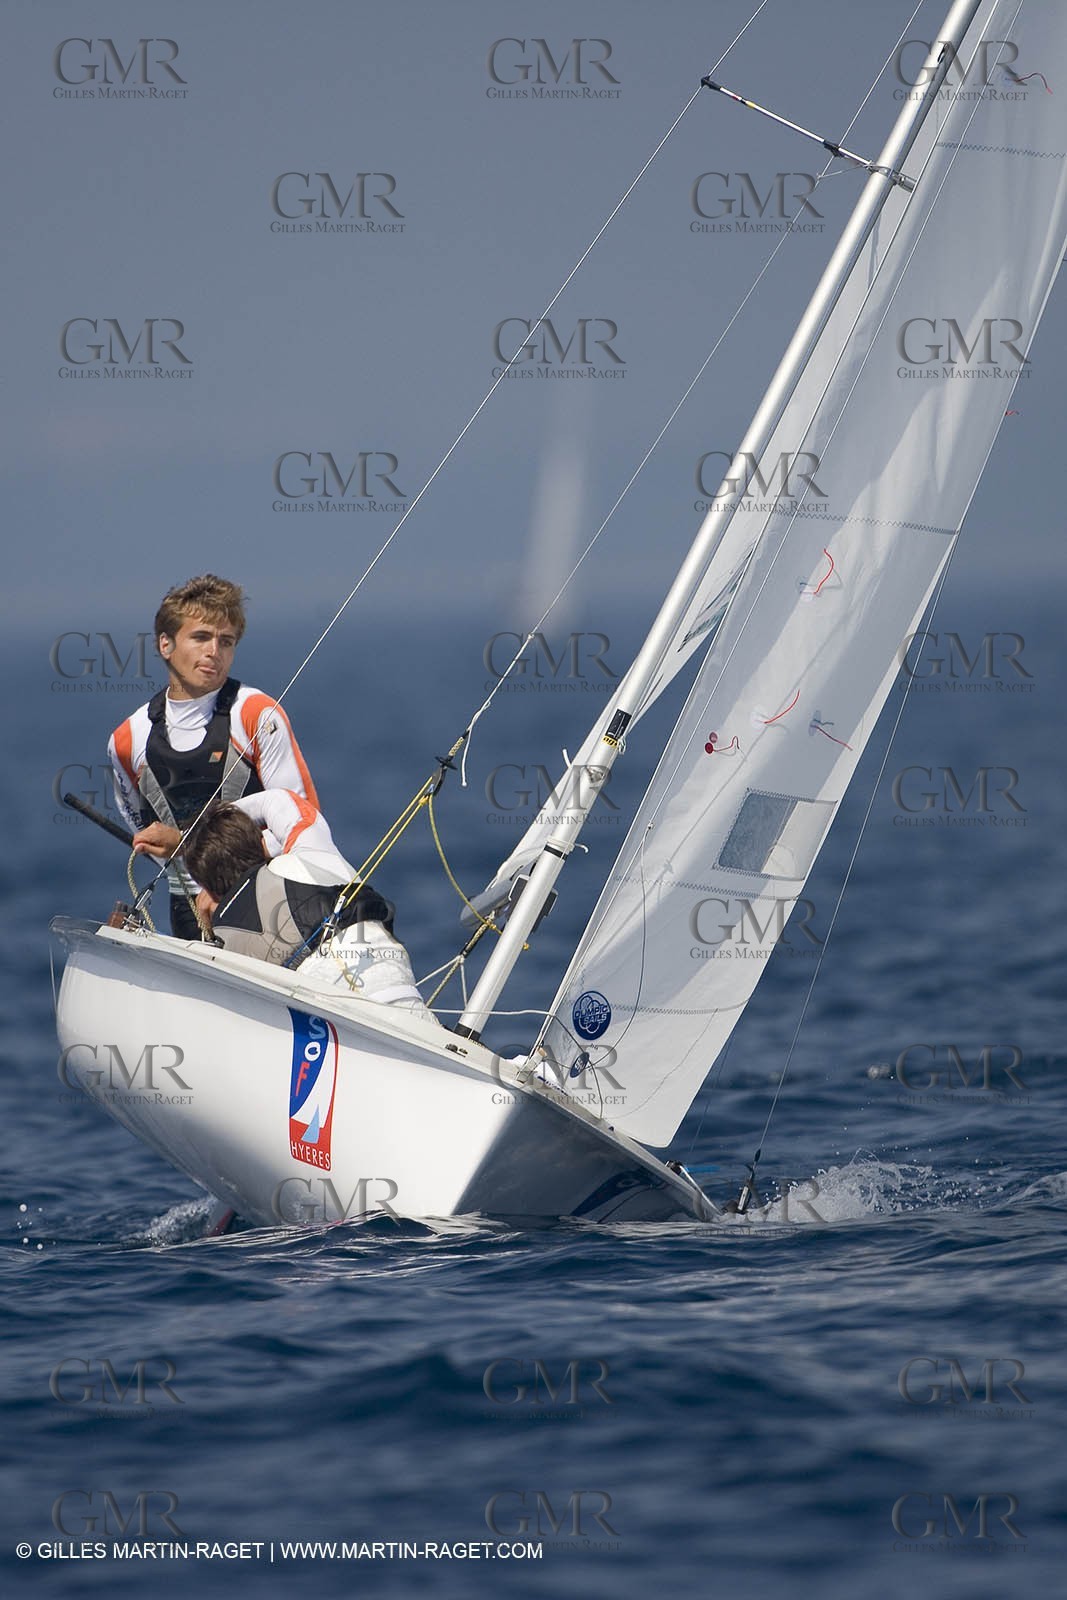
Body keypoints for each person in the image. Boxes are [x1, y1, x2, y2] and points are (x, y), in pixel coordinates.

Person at [107, 575, 319, 937]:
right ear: (165, 644)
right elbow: (144, 830)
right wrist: (186, 863)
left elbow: (302, 822)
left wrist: (194, 851)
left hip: (267, 902)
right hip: (185, 910)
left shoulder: (257, 716)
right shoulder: (127, 740)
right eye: (201, 637)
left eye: (226, 641)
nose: (214, 652)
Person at [184, 789, 436, 1018]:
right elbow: (279, 800)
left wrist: (209, 929)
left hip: (332, 1028)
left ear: (208, 890)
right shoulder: (309, 855)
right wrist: (208, 825)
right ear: (262, 843)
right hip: (396, 990)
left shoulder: (227, 943)